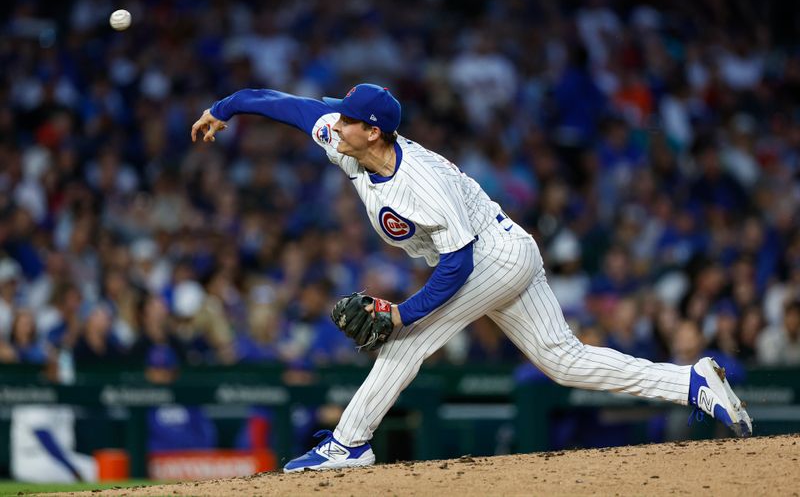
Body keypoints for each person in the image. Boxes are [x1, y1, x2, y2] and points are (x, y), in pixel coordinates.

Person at [191, 83, 752, 473]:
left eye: (349, 120)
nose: (335, 124)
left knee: (404, 342)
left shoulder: (423, 185)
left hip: (494, 255)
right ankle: (692, 383)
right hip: (500, 250)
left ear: (376, 132)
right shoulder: (345, 139)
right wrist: (226, 108)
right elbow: (287, 105)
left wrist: (402, 314)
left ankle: (349, 443)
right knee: (562, 360)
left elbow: (456, 266)